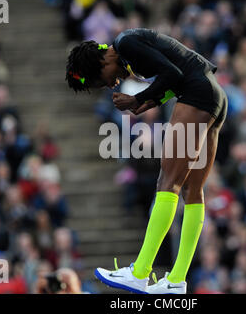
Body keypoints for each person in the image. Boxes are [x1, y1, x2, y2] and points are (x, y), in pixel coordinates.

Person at [65, 28, 228, 294]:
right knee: (191, 191)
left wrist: (139, 98)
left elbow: (174, 75)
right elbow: (173, 77)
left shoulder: (126, 44)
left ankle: (140, 272)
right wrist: (146, 103)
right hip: (213, 96)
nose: (111, 85)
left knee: (167, 183)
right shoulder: (127, 51)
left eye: (102, 81)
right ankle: (176, 280)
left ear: (101, 62)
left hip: (197, 95)